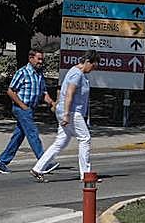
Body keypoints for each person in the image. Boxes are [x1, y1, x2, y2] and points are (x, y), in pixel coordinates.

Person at [31, 51, 98, 182]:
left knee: (61, 141)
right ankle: (86, 175)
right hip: (72, 112)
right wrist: (66, 114)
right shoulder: (77, 74)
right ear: (88, 62)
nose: (93, 69)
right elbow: (69, 93)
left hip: (67, 111)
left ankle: (38, 168)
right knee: (85, 139)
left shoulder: (77, 72)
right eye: (93, 66)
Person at [0, 49, 53, 174]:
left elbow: (43, 92)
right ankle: (43, 162)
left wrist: (52, 103)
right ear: (31, 58)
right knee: (32, 133)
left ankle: (1, 162)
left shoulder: (39, 74)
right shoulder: (23, 72)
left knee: (18, 137)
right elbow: (10, 91)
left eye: (42, 59)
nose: (41, 62)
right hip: (22, 109)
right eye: (38, 59)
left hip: (30, 109)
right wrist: (22, 105)